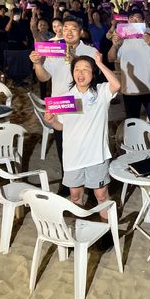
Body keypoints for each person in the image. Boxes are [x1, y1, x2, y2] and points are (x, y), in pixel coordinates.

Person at [43, 52, 120, 220]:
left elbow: (116, 84)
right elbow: (61, 126)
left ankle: (107, 230)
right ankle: (79, 229)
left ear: (93, 74)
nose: (80, 73)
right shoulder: (64, 98)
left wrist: (99, 63)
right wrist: (51, 121)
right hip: (73, 157)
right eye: (77, 69)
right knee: (76, 195)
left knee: (101, 195)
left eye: (86, 69)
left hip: (96, 155)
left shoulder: (101, 92)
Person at [30, 15, 98, 187]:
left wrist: (77, 57)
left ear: (81, 32)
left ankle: (89, 185)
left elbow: (97, 82)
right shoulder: (55, 50)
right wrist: (38, 64)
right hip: (61, 108)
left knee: (85, 148)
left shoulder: (90, 52)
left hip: (84, 109)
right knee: (63, 147)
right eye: (65, 28)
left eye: (73, 28)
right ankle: (67, 183)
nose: (68, 31)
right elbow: (44, 77)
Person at [107, 9, 150, 123]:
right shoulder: (122, 40)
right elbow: (110, 58)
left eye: (137, 17)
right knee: (132, 124)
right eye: (131, 18)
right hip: (130, 91)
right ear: (127, 22)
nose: (134, 20)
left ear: (143, 21)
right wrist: (114, 46)